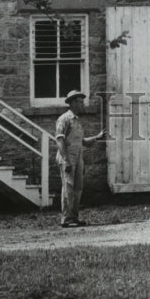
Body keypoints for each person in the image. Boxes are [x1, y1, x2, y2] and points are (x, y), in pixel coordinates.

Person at [55, 89, 105, 228]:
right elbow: (59, 141)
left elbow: (82, 141)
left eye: (81, 102)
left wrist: (97, 137)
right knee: (68, 187)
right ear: (71, 103)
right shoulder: (64, 119)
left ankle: (74, 217)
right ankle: (66, 218)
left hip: (78, 156)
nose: (81, 104)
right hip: (67, 156)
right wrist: (65, 160)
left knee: (78, 188)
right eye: (78, 102)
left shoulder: (77, 121)